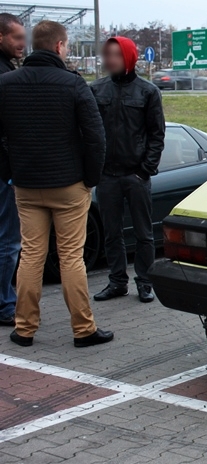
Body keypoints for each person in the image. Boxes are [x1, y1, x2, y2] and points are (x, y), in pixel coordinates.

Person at [0, 20, 113, 348]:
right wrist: (90, 179)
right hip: (68, 184)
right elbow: (96, 137)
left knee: (31, 255)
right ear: (60, 46)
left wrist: (10, 173)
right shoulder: (73, 84)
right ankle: (83, 329)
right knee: (71, 257)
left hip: (25, 184)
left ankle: (24, 328)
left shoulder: (6, 83)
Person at [91, 37, 165, 303]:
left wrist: (145, 170)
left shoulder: (147, 91)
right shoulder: (96, 89)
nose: (111, 60)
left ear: (129, 57)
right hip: (107, 176)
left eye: (117, 55)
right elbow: (89, 132)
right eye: (108, 55)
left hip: (136, 175)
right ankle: (117, 282)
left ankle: (145, 282)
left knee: (144, 234)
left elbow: (157, 135)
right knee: (112, 233)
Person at [0, 13, 25, 327]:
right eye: (17, 37)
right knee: (9, 240)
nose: (23, 43)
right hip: (5, 171)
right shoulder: (5, 76)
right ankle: (5, 304)